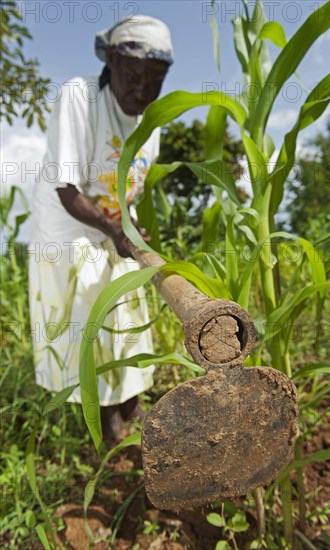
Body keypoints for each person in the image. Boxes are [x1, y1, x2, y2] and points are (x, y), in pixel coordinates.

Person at [28, 16, 173, 440]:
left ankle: (135, 408)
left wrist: (129, 228)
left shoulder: (153, 123)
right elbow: (67, 190)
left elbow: (126, 192)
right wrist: (114, 230)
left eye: (155, 82)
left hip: (113, 233)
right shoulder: (80, 97)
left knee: (128, 318)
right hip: (69, 234)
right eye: (134, 77)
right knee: (93, 321)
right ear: (112, 60)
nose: (143, 92)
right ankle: (110, 428)